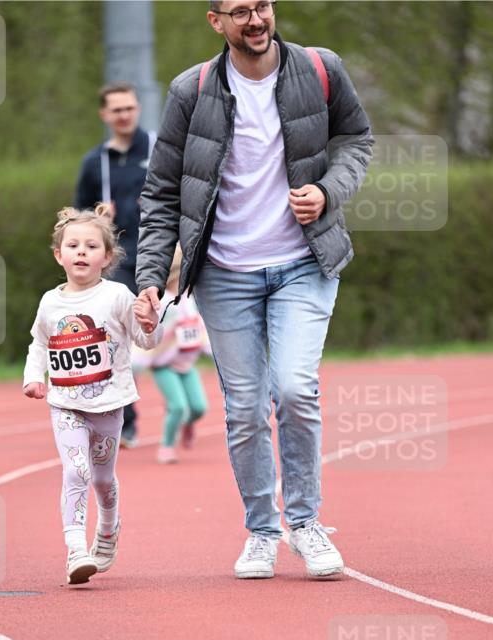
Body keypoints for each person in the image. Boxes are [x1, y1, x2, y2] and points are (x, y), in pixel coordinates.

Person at [134, 0, 373, 580]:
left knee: (293, 390)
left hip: (302, 262)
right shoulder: (191, 90)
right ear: (216, 21)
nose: (257, 20)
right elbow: (162, 192)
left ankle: (307, 523)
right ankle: (263, 531)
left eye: (263, 5)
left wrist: (327, 190)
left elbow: (356, 141)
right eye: (240, 11)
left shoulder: (320, 68)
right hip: (224, 273)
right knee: (244, 409)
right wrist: (148, 280)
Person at [23, 205, 160, 585]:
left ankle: (108, 527)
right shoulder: (51, 302)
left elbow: (146, 340)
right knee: (76, 470)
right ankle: (75, 550)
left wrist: (151, 321)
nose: (81, 252)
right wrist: (34, 377)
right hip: (66, 404)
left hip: (108, 405)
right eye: (73, 245)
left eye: (90, 246)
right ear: (59, 255)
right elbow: (39, 343)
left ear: (107, 257)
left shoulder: (117, 296)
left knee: (102, 478)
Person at [75, 82, 156, 449]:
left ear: (138, 109)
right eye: (116, 110)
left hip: (164, 257)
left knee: (178, 335)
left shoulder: (159, 150)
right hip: (120, 259)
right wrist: (97, 216)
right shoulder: (95, 162)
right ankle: (124, 420)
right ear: (104, 115)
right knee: (115, 334)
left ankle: (193, 408)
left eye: (129, 108)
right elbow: (77, 218)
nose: (124, 115)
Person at [132, 248, 210, 464]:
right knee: (177, 407)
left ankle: (187, 424)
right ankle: (167, 445)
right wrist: (137, 364)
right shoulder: (162, 303)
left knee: (199, 408)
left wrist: (214, 352)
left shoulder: (191, 299)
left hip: (186, 364)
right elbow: (150, 333)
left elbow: (201, 329)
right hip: (163, 364)